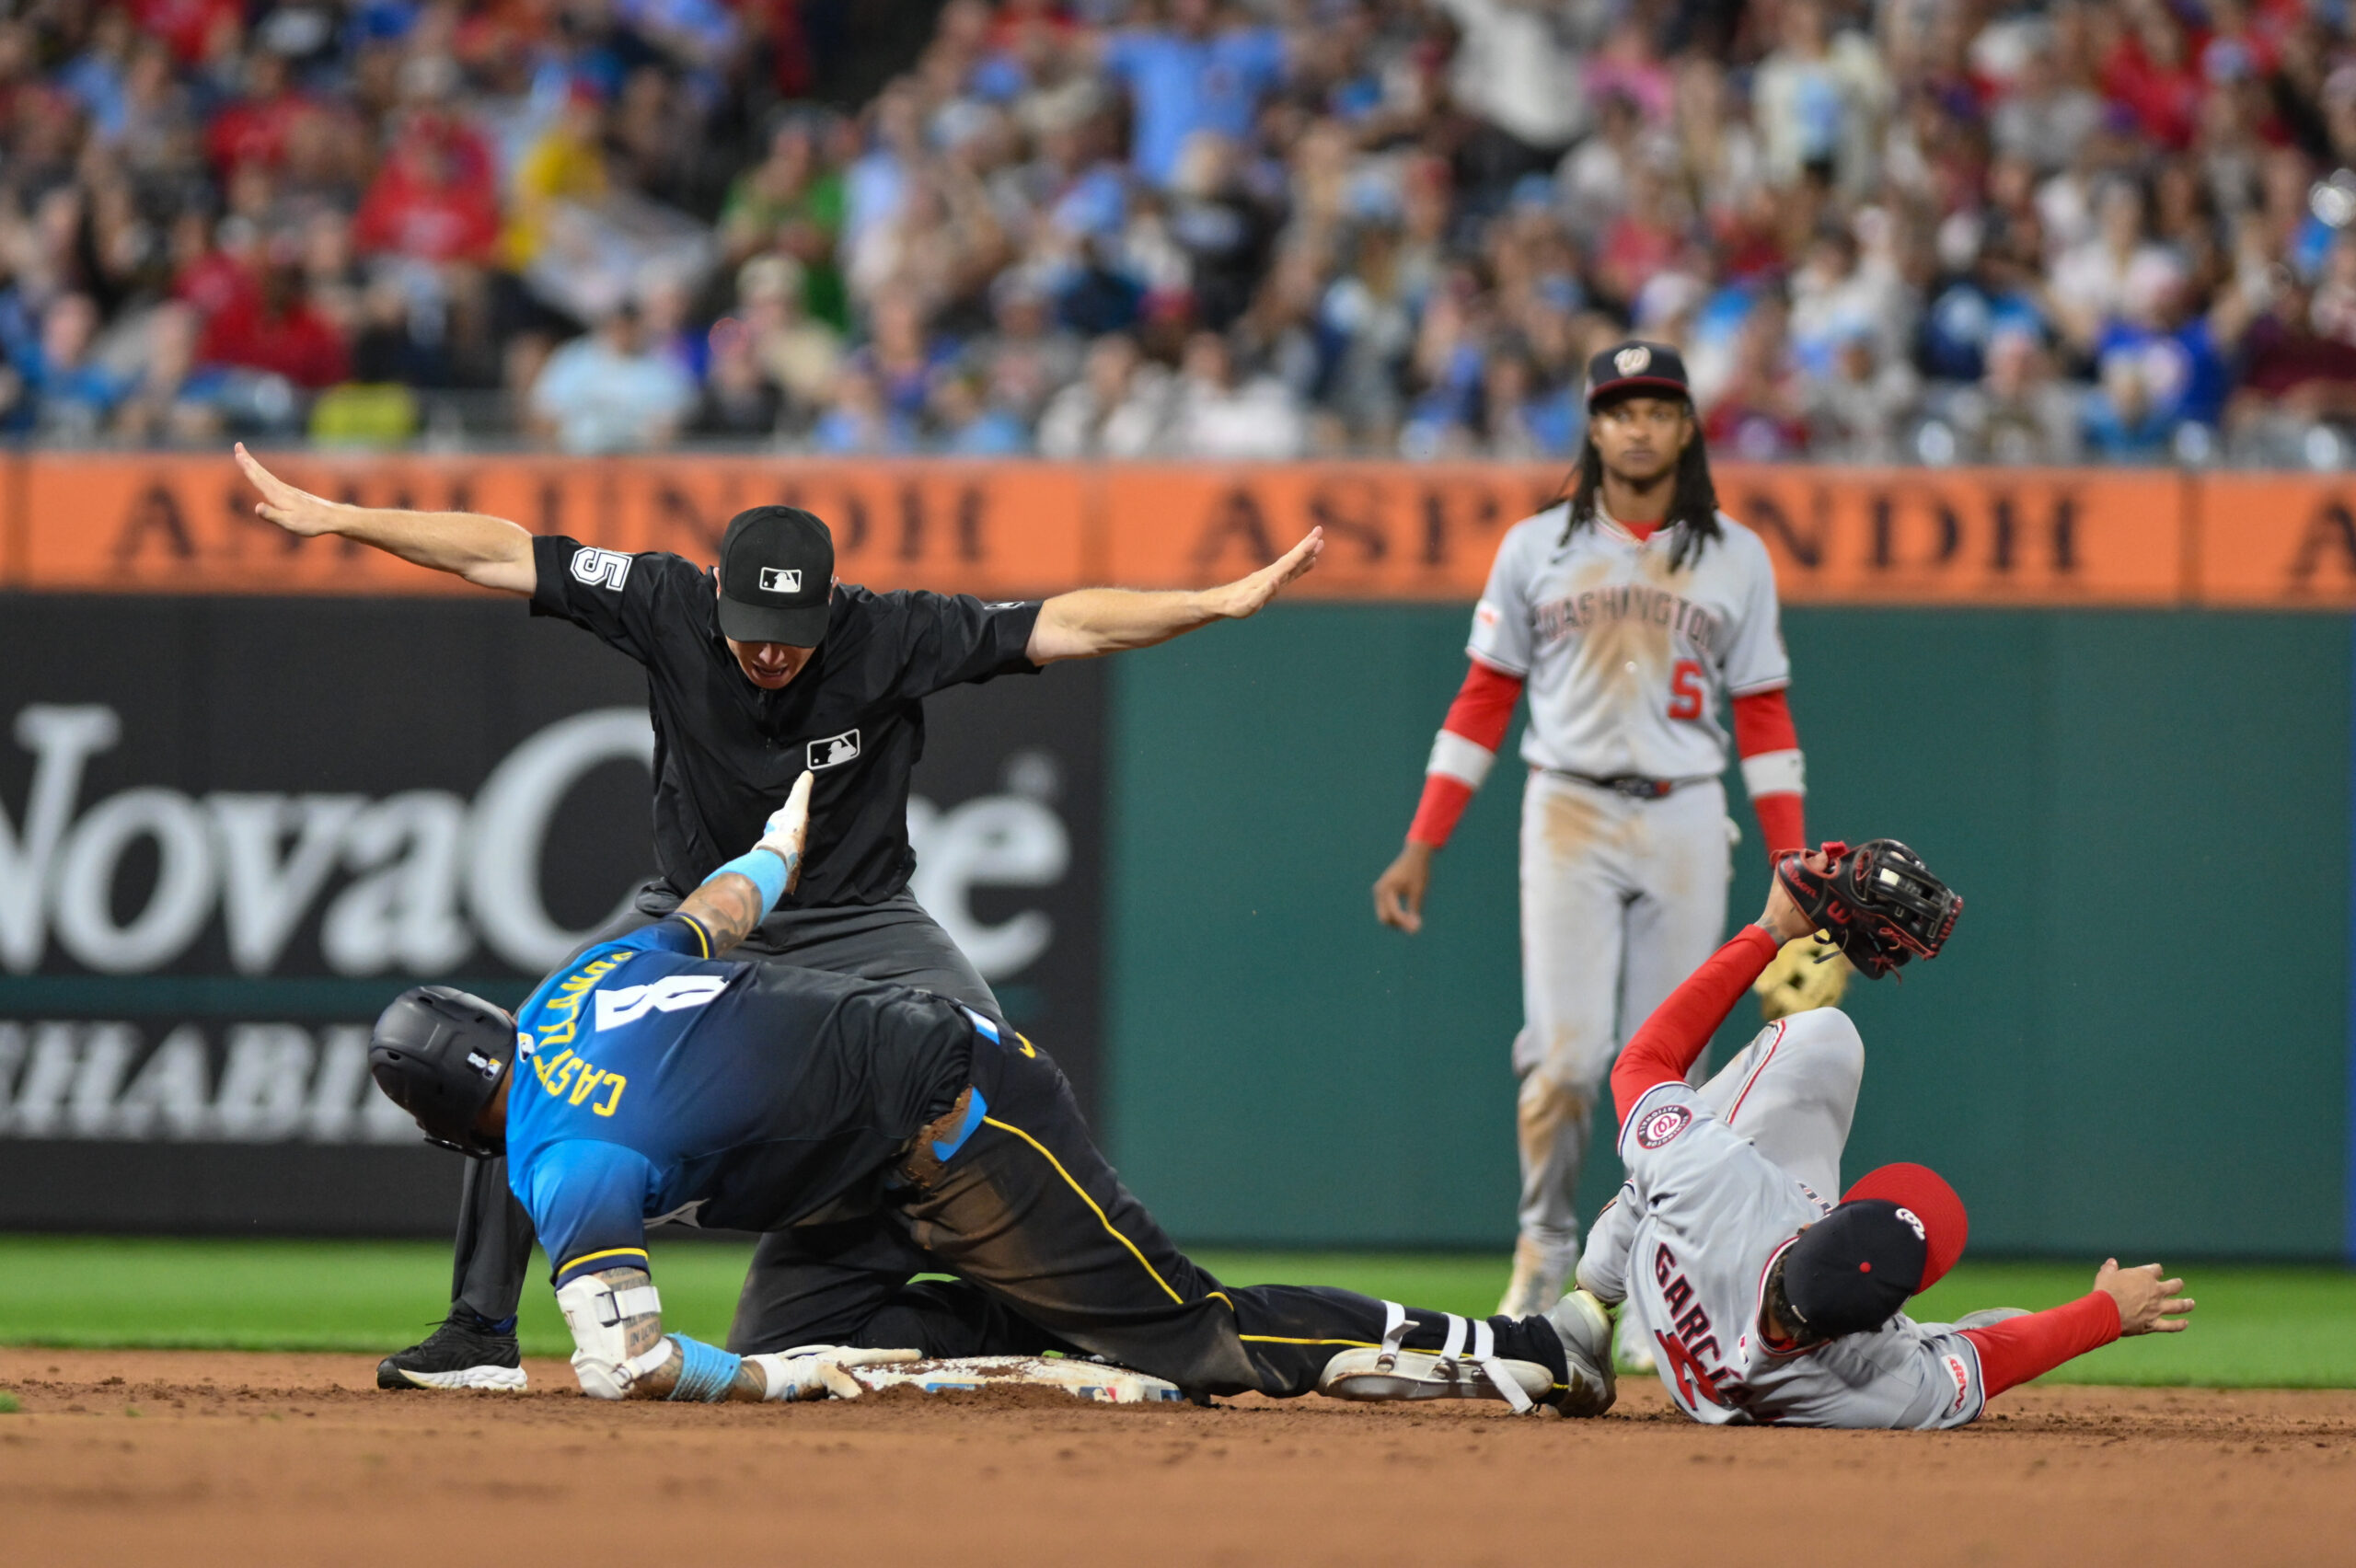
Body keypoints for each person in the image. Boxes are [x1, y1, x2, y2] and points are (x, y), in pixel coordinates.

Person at [231, 444, 1327, 1389]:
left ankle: (1104, 1306)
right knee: (531, 1057)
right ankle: (479, 1331)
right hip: (696, 908)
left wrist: (1212, 603)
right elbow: (498, 550)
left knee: (996, 1082)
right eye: (748, 627)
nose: (766, 651)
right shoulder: (664, 601)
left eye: (788, 632)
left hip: (862, 915)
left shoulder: (891, 634)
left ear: (828, 606)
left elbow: (1067, 622)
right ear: (717, 595)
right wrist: (341, 520)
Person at [364, 774, 1617, 1414]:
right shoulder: (578, 984)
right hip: (855, 1167)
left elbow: (629, 1365)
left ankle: (1526, 1347)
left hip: (952, 1109)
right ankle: (1061, 1332)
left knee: (1199, 1334)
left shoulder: (559, 1165)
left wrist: (774, 1387)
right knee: (779, 1338)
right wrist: (783, 838)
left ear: (439, 1134)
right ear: (494, 1021)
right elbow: (720, 908)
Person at [1370, 340, 1809, 1330]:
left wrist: (1790, 857)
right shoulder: (1535, 546)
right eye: (1619, 408)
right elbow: (1485, 697)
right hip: (1566, 802)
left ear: (1686, 425)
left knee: (1675, 1073)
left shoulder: (1735, 554)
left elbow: (1765, 714)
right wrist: (1423, 839)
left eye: (1656, 407)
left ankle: (1659, 1280)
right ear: (1595, 425)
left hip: (1689, 806)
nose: (1638, 424)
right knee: (1566, 1060)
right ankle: (1544, 1248)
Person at [1569, 843, 2194, 1427]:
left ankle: (1592, 1298)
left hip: (1679, 1265)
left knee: (1819, 1041)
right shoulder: (1881, 1379)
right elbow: (1998, 1354)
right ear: (1880, 1323)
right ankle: (1600, 1292)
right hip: (1707, 1374)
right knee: (1984, 1330)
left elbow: (1643, 1063)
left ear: (1811, 1226)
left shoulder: (1729, 1194)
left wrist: (1771, 929)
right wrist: (2109, 1309)